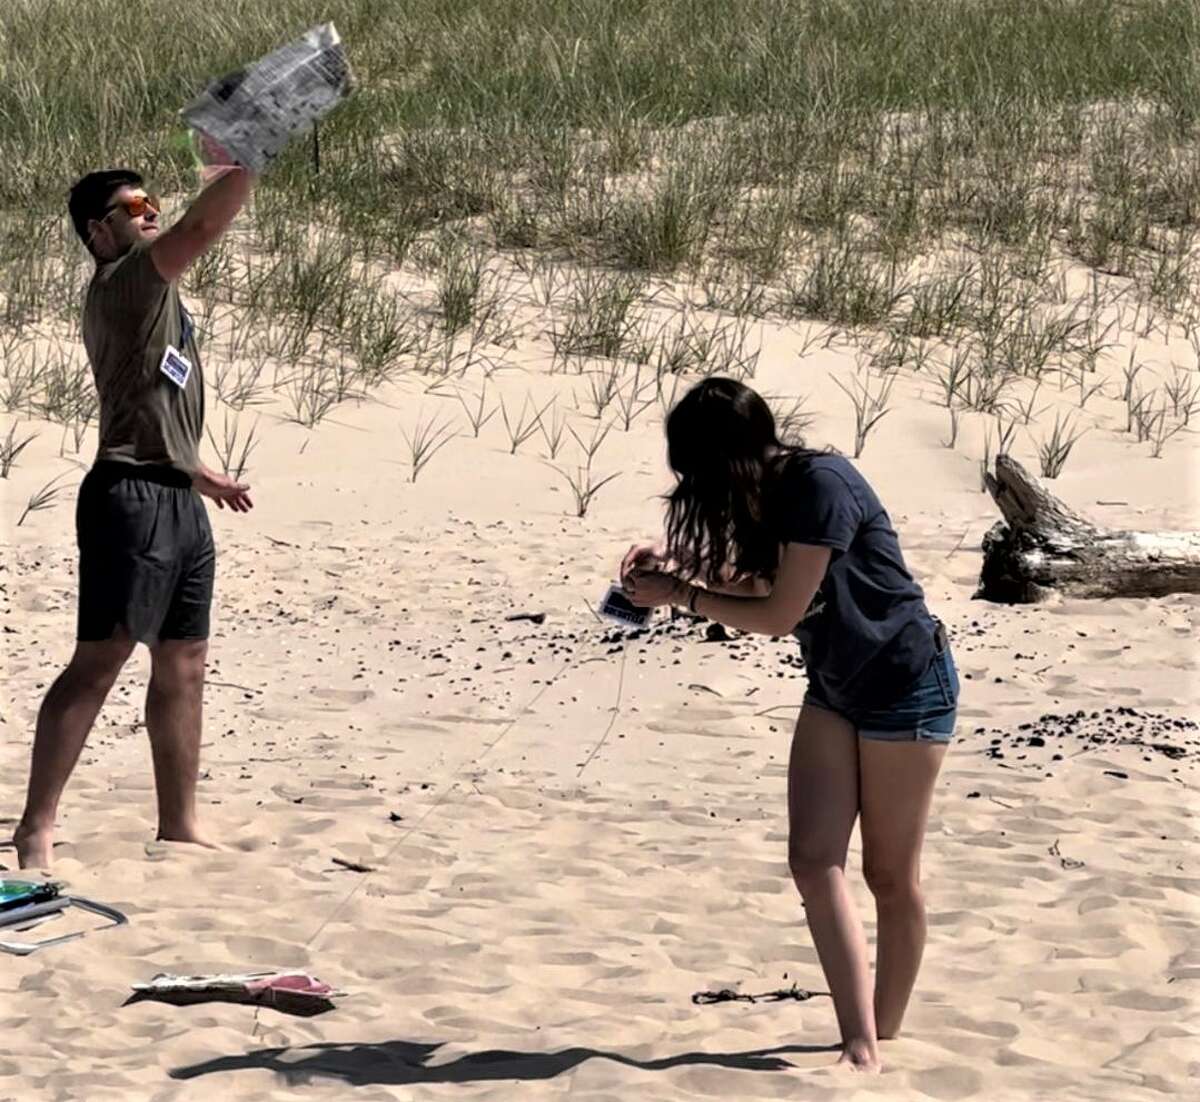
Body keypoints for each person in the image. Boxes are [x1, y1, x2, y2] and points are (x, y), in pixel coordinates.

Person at [620, 377, 960, 1074]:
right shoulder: (761, 495)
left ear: (727, 456)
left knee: (890, 876)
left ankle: (883, 1031)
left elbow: (777, 616)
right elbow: (760, 583)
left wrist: (684, 594)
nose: (690, 484)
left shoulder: (823, 484)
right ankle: (859, 1038)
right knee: (813, 859)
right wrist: (674, 571)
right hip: (835, 687)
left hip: (907, 684)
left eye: (694, 468)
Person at [12, 151, 256, 869]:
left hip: (178, 497)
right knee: (100, 659)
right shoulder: (127, 283)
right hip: (127, 498)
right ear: (100, 232)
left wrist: (199, 472)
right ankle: (35, 827)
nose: (150, 213)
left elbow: (148, 401)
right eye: (135, 207)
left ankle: (178, 822)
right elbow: (207, 223)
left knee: (185, 662)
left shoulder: (159, 296)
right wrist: (244, 155)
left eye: (154, 204)